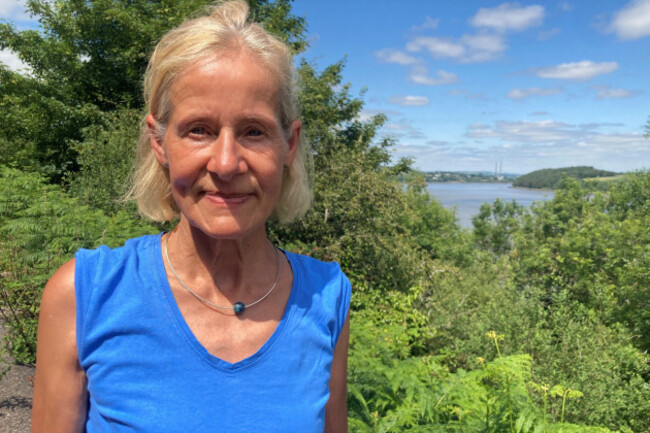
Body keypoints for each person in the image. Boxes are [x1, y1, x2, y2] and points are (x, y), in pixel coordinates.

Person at [30, 1, 351, 432]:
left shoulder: (327, 297)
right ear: (159, 141)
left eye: (254, 131)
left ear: (288, 145)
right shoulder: (84, 296)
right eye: (198, 129)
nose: (225, 163)